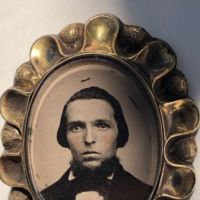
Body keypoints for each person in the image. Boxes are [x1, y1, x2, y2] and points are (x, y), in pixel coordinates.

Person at [41, 87, 152, 200]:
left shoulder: (146, 194)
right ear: (64, 136)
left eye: (102, 126)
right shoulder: (44, 197)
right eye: (76, 128)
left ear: (119, 132)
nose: (89, 139)